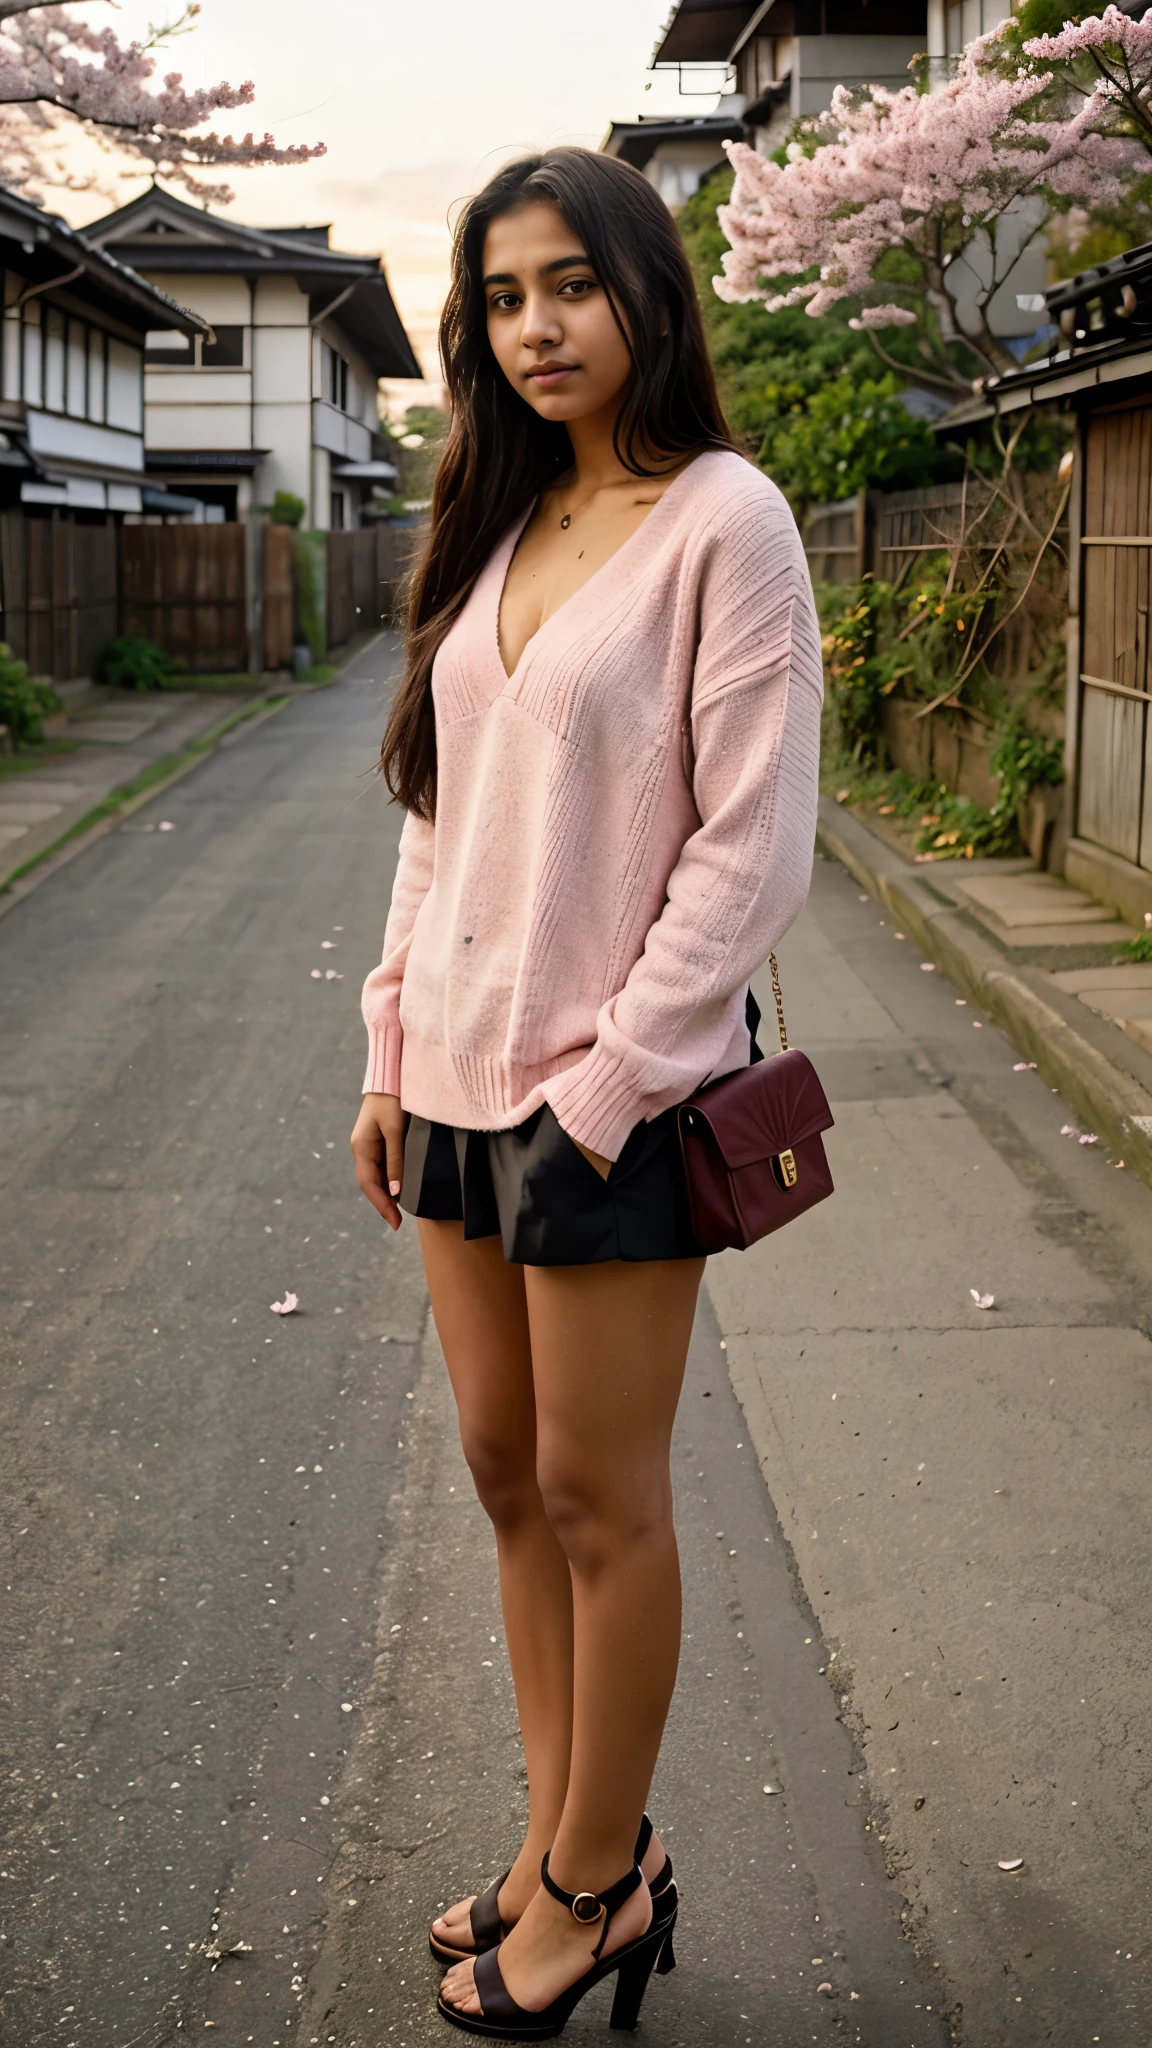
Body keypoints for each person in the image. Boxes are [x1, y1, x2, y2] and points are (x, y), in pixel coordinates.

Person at [350, 145, 822, 2037]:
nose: (533, 327)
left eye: (568, 286)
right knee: (499, 1475)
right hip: (454, 1081)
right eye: (499, 296)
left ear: (645, 292)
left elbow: (752, 844)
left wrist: (617, 1082)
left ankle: (597, 1879)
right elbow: (434, 812)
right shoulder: (499, 512)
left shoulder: (728, 520)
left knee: (597, 1490)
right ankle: (563, 1840)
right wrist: (389, 1049)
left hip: (608, 1095)